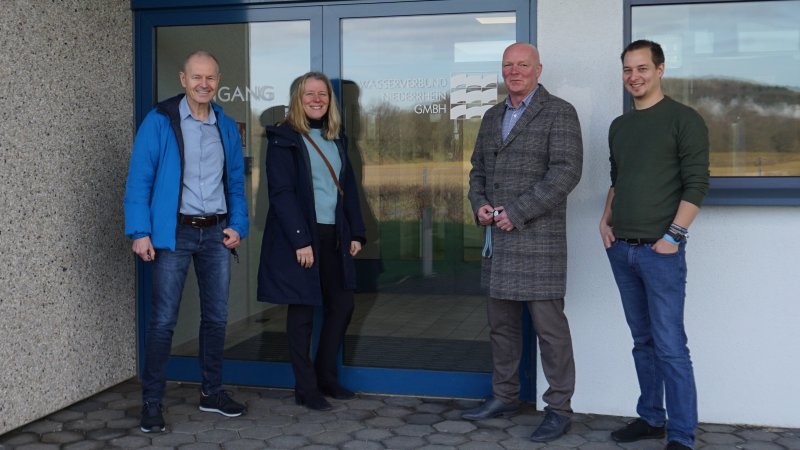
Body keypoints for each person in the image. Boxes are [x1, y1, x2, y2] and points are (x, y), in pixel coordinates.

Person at [463, 42, 583, 443]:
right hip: (498, 241)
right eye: (508, 65)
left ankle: (559, 409)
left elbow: (565, 173)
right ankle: (505, 396)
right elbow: (477, 170)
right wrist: (479, 204)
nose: (514, 71)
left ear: (538, 69)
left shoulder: (559, 112)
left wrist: (517, 211)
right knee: (501, 328)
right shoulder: (492, 115)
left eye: (523, 65)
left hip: (537, 241)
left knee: (551, 332)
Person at [124, 50, 249, 432]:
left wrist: (238, 225)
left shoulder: (225, 125)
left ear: (218, 81)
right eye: (197, 77)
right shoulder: (160, 120)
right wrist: (140, 231)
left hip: (215, 233)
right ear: (183, 79)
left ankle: (212, 393)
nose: (203, 84)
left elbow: (236, 181)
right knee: (163, 321)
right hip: (173, 233)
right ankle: (152, 403)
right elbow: (139, 178)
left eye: (210, 77)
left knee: (216, 318)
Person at [600, 40, 709, 450]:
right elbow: (618, 179)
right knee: (642, 342)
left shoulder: (684, 119)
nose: (635, 77)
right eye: (628, 70)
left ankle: (681, 434)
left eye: (643, 68)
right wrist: (605, 220)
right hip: (622, 250)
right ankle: (650, 417)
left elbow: (697, 184)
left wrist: (673, 237)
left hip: (660, 253)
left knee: (670, 346)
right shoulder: (619, 126)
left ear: (660, 69)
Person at [257, 72, 366, 411]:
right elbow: (282, 193)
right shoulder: (284, 138)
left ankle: (325, 376)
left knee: (342, 306)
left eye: (323, 94)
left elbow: (348, 190)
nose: (317, 99)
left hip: (335, 236)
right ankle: (305, 387)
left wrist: (356, 232)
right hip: (303, 237)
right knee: (302, 311)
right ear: (298, 100)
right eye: (310, 94)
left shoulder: (336, 139)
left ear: (330, 101)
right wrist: (300, 240)